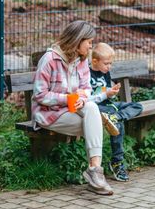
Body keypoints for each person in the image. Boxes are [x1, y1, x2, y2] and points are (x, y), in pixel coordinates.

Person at [32, 20, 113, 195]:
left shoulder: (82, 61)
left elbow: (86, 89)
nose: (91, 47)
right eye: (89, 42)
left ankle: (95, 170)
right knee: (94, 123)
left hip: (74, 110)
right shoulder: (49, 60)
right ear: (77, 40)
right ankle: (96, 173)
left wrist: (82, 99)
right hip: (49, 114)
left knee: (90, 107)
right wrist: (66, 98)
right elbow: (40, 95)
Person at [89, 42, 143, 182]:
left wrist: (112, 93)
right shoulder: (87, 74)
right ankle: (117, 163)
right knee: (118, 125)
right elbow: (88, 99)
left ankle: (115, 117)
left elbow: (106, 92)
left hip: (109, 106)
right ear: (95, 61)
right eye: (106, 63)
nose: (109, 67)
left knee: (137, 106)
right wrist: (106, 95)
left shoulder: (105, 73)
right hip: (96, 108)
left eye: (111, 64)